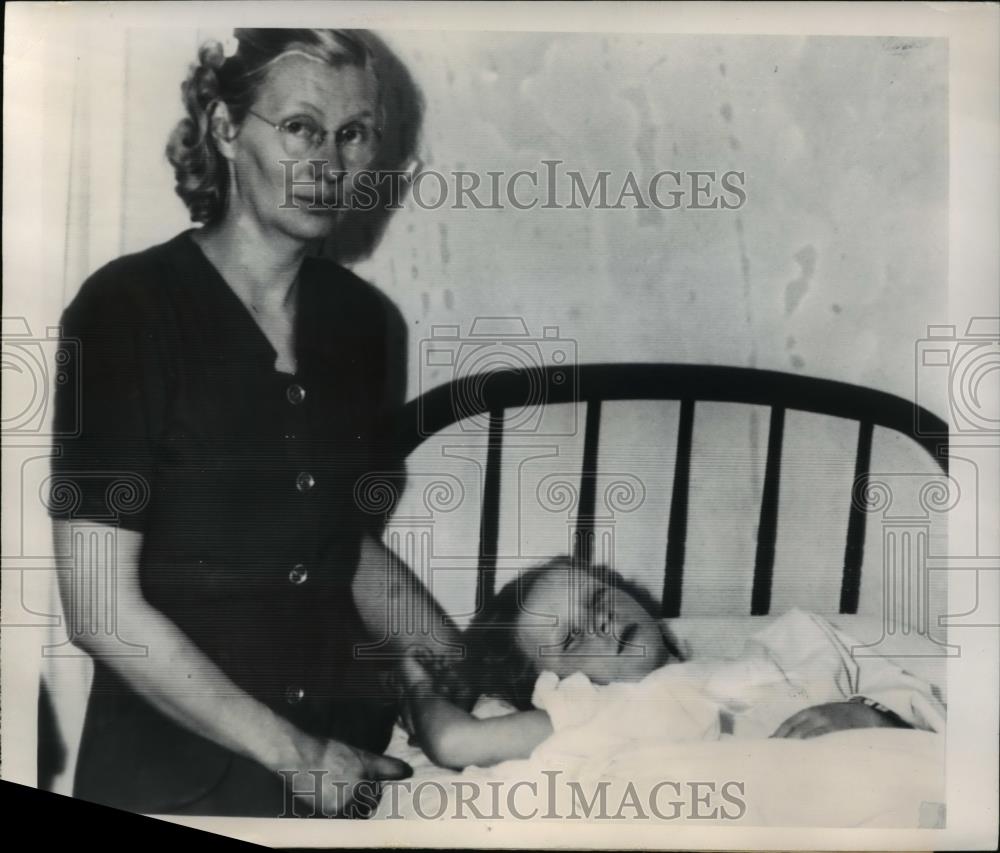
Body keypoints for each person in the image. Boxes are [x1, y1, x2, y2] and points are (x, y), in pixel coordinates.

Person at [47, 28, 464, 819]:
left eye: (354, 135)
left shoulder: (363, 324)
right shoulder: (126, 311)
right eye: (301, 128)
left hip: (351, 761)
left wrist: (464, 667)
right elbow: (100, 609)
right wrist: (296, 754)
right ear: (227, 128)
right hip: (178, 778)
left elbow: (341, 548)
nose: (328, 165)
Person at [400, 557, 944, 770]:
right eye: (571, 638)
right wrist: (415, 686)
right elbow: (457, 743)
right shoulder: (600, 706)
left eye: (599, 599)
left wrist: (869, 711)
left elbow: (910, 685)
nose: (603, 623)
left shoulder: (788, 645)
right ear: (551, 684)